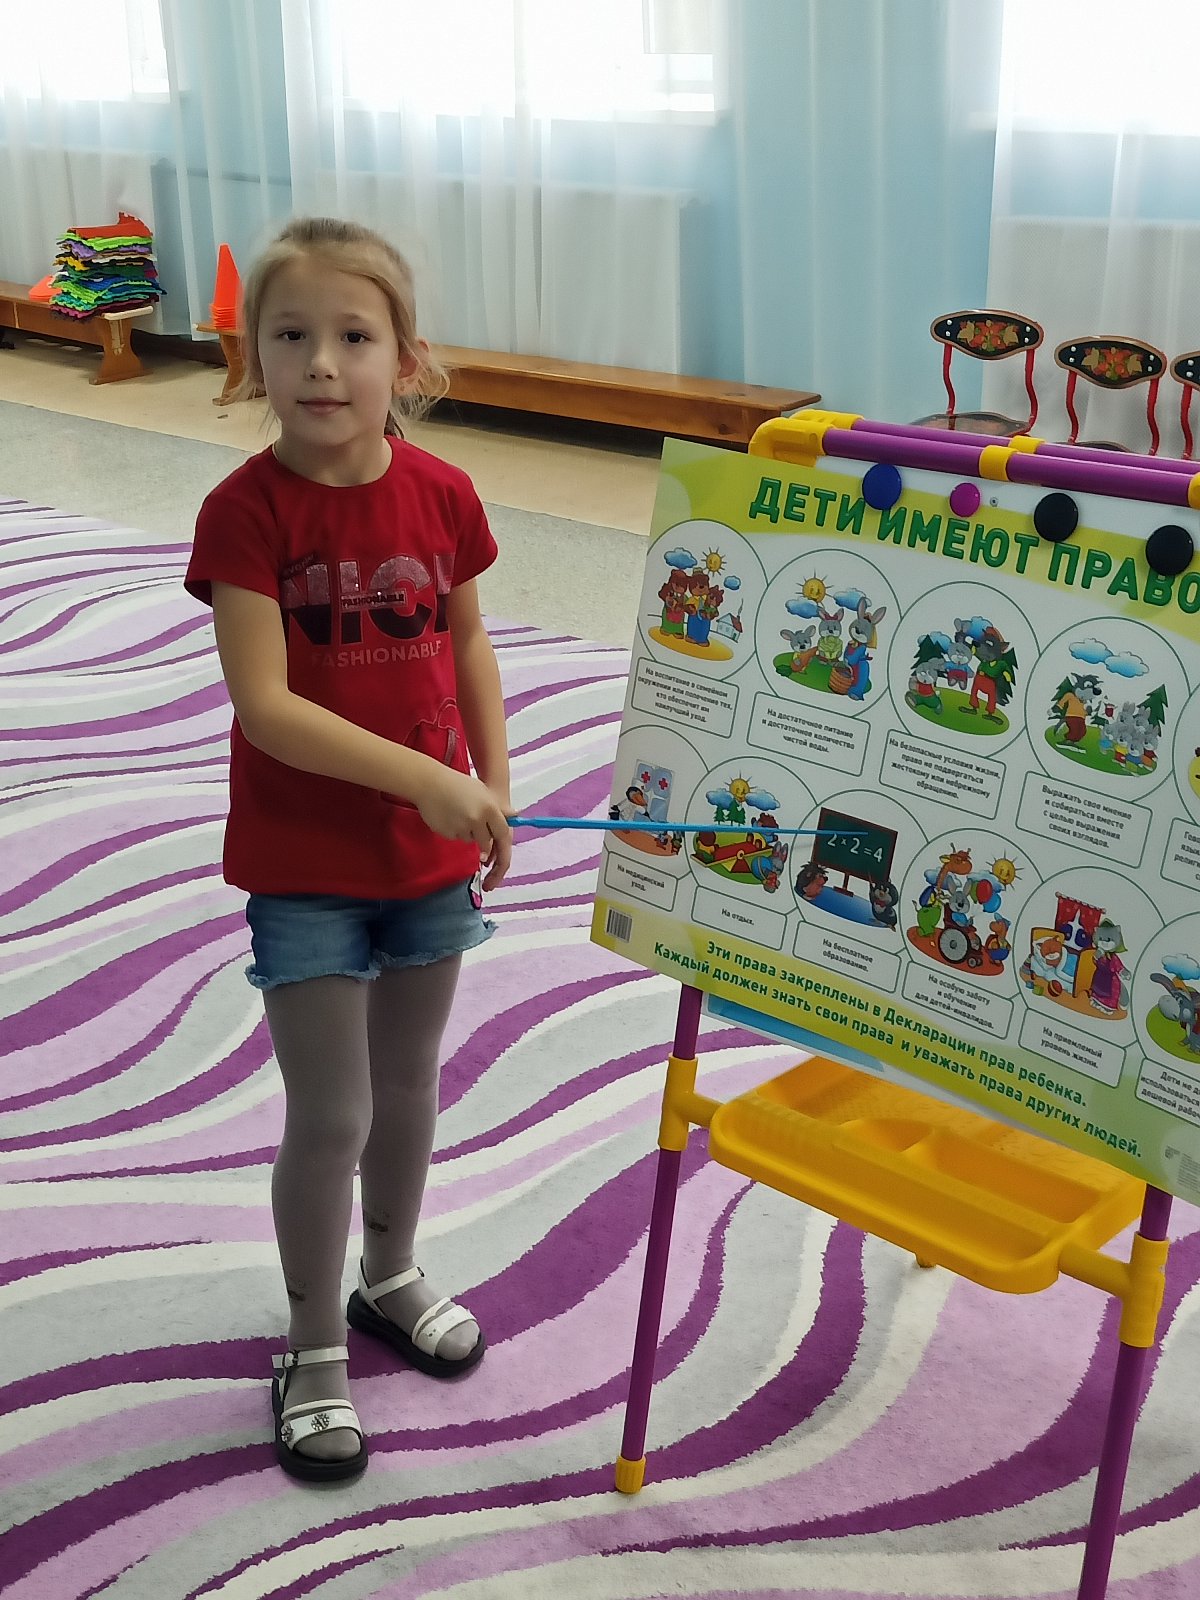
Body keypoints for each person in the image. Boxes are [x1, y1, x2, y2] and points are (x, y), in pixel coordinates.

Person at [184, 217, 512, 1482]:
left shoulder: (445, 493)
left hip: (426, 864)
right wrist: (430, 780)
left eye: (354, 336)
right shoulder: (244, 513)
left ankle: (390, 1273)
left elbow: (469, 642)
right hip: (307, 868)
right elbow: (267, 708)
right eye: (291, 335)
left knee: (410, 1089)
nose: (322, 362)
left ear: (405, 359)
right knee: (332, 1115)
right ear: (253, 358)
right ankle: (313, 1343)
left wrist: (492, 780)